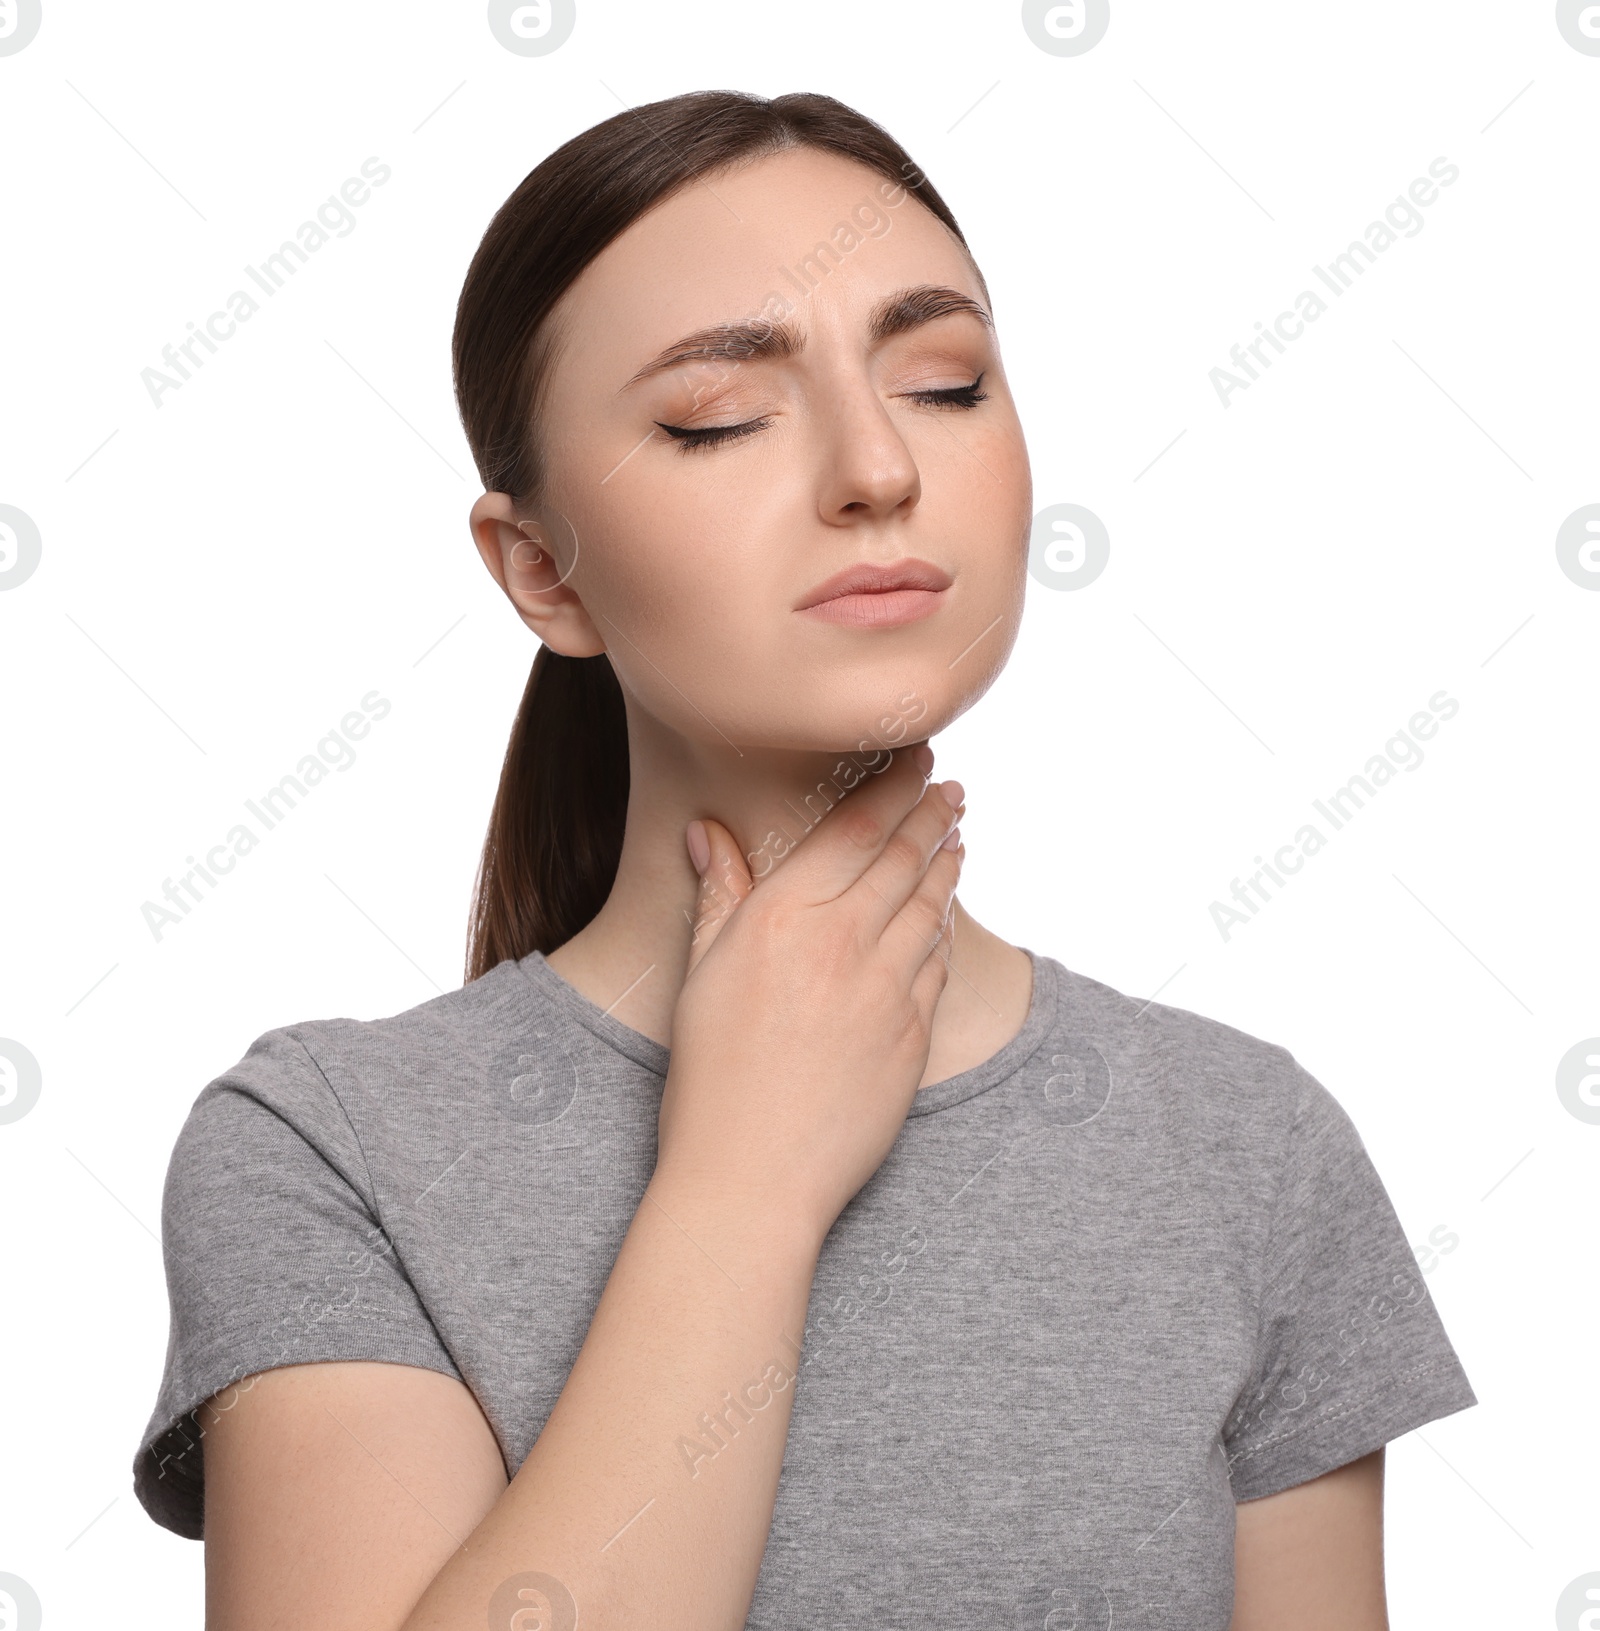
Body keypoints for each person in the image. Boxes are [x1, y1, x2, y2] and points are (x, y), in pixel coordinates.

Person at [132, 90, 1477, 1630]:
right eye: (719, 417)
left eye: (945, 382)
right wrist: (745, 1180)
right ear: (538, 570)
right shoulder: (327, 1153)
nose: (876, 467)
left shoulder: (1249, 1150)